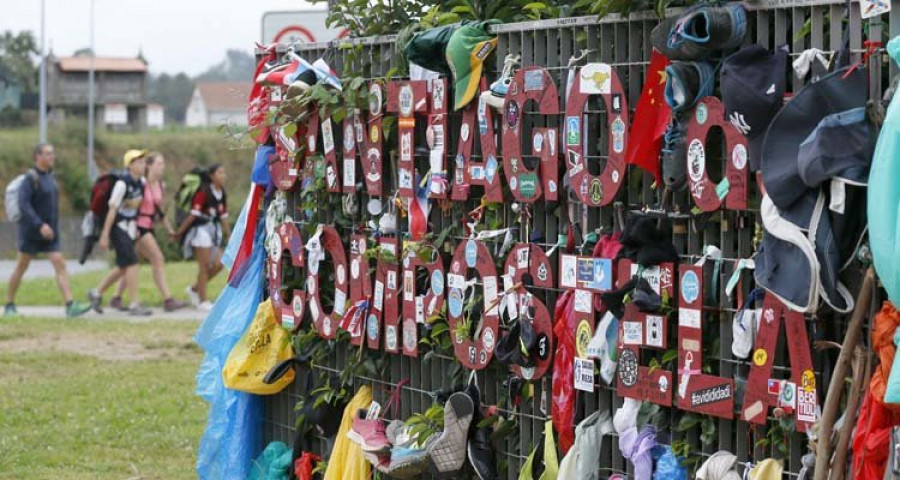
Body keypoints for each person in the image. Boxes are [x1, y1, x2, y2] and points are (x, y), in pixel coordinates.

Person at [4, 144, 92, 318]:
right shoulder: (31, 179)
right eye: (48, 154)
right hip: (31, 232)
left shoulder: (50, 178)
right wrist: (39, 225)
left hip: (50, 233)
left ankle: (70, 305)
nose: (52, 157)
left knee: (60, 263)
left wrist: (51, 227)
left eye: (53, 153)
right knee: (21, 267)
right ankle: (9, 304)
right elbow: (24, 205)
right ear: (38, 157)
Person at [107, 152, 187, 312]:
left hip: (149, 226)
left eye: (162, 164)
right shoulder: (141, 184)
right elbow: (131, 206)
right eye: (159, 164)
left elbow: (159, 211)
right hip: (138, 227)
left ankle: (114, 296)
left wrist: (170, 230)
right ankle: (167, 299)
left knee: (128, 264)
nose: (162, 167)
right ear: (148, 166)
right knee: (158, 259)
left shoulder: (160, 185)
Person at [87, 150, 152, 316]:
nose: (143, 165)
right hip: (117, 226)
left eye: (144, 162)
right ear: (129, 165)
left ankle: (96, 293)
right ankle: (134, 304)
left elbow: (136, 208)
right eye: (138, 162)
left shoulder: (142, 183)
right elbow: (112, 209)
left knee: (124, 267)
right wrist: (105, 234)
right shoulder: (122, 184)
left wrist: (136, 228)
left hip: (129, 227)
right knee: (133, 263)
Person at [174, 163, 230, 311]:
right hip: (201, 231)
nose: (223, 175)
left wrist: (229, 235)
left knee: (220, 263)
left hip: (214, 232)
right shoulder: (203, 192)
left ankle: (194, 289)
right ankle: (202, 301)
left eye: (224, 172)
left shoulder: (222, 192)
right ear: (211, 176)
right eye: (220, 172)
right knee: (204, 267)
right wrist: (179, 232)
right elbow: (194, 214)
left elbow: (223, 216)